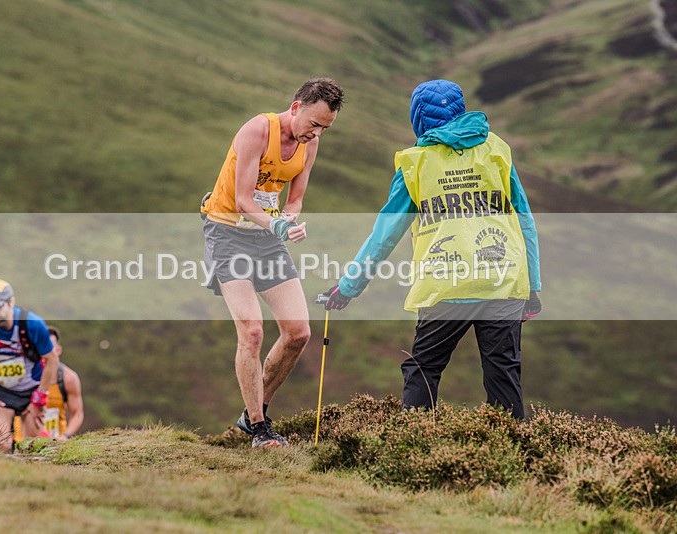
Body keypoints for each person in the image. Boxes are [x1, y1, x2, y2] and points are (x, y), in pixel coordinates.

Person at [323, 79, 541, 420]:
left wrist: (349, 286)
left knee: (423, 369)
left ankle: (415, 441)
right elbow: (524, 219)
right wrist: (533, 286)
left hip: (445, 283)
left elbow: (384, 236)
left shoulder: (416, 163)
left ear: (418, 117)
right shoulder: (496, 149)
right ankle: (515, 448)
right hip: (503, 280)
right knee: (503, 373)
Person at [201, 77, 344, 447]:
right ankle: (259, 428)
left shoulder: (310, 144)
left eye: (325, 128)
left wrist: (289, 220)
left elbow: (295, 199)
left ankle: (254, 412)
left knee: (299, 333)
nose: (316, 133)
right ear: (296, 108)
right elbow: (244, 200)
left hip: (266, 237)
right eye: (314, 124)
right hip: (228, 232)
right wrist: (278, 224)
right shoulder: (257, 131)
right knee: (251, 332)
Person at [0, 279, 58, 452]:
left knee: (30, 448)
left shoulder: (33, 324)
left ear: (11, 302)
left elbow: (51, 360)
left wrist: (40, 397)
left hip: (31, 392)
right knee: (1, 445)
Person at [12, 326, 84, 442]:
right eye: (41, 346)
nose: (45, 351)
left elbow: (77, 414)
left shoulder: (68, 378)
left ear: (58, 350)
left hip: (55, 442)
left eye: (49, 346)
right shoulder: (21, 375)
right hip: (20, 442)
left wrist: (65, 437)